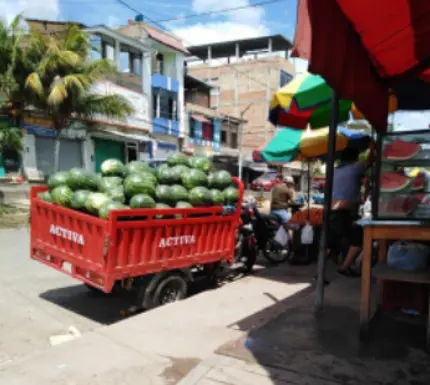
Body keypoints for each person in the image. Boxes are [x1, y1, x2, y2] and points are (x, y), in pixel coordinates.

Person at [328, 145, 374, 277]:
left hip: (332, 209)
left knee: (331, 241)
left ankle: (320, 270)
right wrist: (373, 146)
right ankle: (344, 267)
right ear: (355, 158)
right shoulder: (355, 167)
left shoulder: (334, 170)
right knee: (358, 239)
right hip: (344, 210)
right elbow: (370, 161)